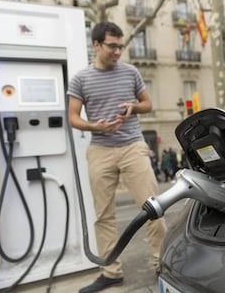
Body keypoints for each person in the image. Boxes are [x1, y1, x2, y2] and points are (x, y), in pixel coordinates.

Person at [67, 21, 167, 293]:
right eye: (112, 46)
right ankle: (111, 273)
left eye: (120, 46)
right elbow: (73, 117)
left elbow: (148, 104)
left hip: (133, 146)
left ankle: (163, 265)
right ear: (96, 44)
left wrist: (133, 107)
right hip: (100, 149)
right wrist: (94, 127)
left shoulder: (131, 72)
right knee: (103, 216)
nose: (117, 51)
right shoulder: (80, 79)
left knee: (153, 209)